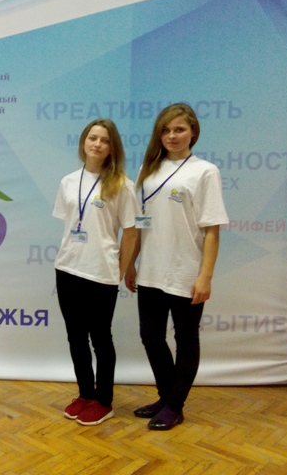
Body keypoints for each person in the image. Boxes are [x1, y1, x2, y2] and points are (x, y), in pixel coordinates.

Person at [125, 103, 228, 431]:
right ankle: (166, 397)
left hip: (185, 272)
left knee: (185, 339)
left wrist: (205, 277)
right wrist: (131, 263)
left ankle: (174, 405)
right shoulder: (148, 169)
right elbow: (141, 222)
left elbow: (212, 230)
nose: (172, 136)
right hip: (151, 271)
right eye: (166, 130)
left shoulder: (205, 171)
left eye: (179, 129)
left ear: (193, 132)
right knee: (150, 337)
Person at [53, 119, 138, 426]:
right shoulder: (68, 181)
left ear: (112, 148)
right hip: (67, 268)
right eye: (93, 138)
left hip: (101, 272)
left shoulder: (122, 185)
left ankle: (104, 401)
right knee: (75, 337)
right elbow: (69, 224)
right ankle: (85, 394)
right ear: (83, 142)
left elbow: (131, 232)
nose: (97, 144)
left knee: (100, 338)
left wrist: (121, 269)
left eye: (105, 140)